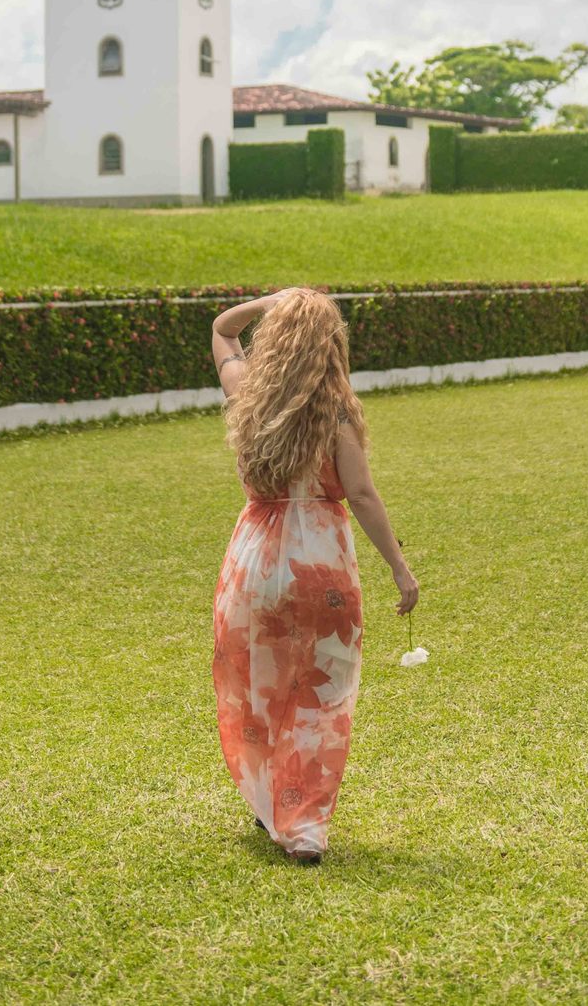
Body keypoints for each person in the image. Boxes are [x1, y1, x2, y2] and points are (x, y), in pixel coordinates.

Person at [211, 286, 420, 864]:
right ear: (330, 346)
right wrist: (400, 569)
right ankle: (303, 826)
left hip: (253, 562)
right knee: (319, 696)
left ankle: (266, 803)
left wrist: (271, 303)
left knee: (258, 685)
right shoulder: (337, 411)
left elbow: (223, 331)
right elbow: (361, 494)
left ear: (276, 341)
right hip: (319, 566)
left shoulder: (248, 394)